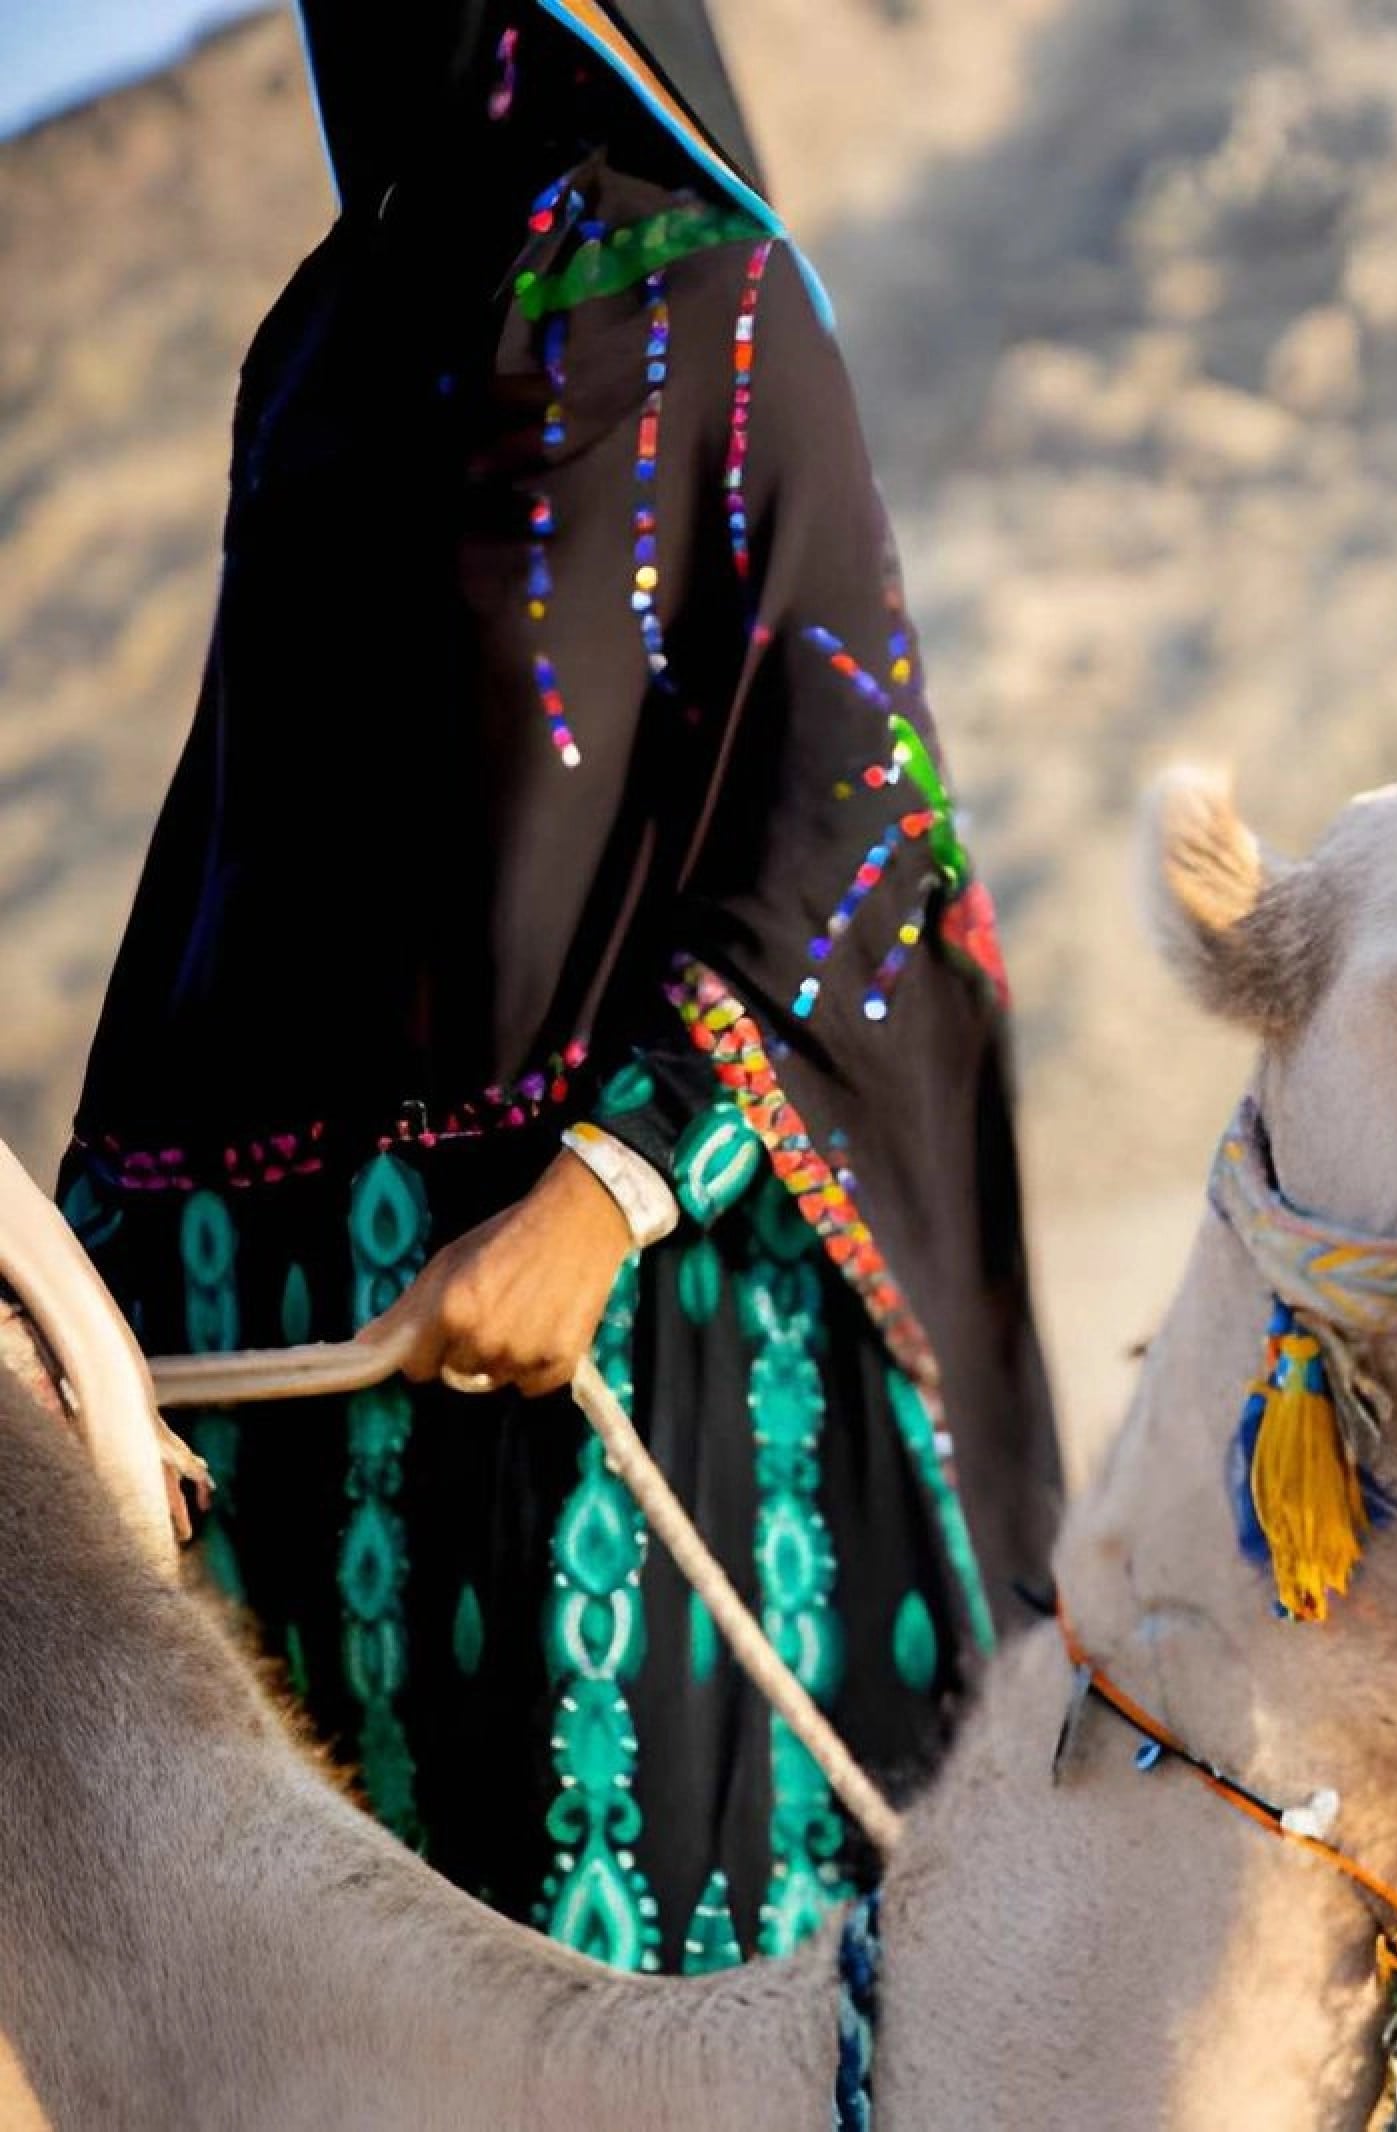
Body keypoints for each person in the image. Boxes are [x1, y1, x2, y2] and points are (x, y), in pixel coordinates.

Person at [56, 0, 1061, 1974]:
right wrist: (92, 1278)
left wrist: (603, 1196)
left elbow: (854, 817)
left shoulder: (721, 306)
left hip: (627, 1365)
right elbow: (233, 845)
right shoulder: (319, 345)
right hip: (278, 1389)